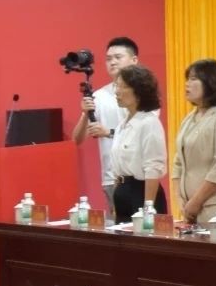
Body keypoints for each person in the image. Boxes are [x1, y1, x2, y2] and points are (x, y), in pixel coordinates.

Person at [71, 37, 140, 212]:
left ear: (134, 60)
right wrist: (85, 114)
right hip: (111, 178)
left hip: (139, 176)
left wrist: (108, 132)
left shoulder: (144, 93)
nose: (112, 62)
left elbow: (141, 132)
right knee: (116, 226)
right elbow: (77, 139)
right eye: (108, 59)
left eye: (118, 57)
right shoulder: (99, 96)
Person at [172, 59, 216, 224]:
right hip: (190, 207)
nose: (187, 84)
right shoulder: (190, 117)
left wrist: (196, 202)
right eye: (187, 79)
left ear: (211, 82)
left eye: (193, 79)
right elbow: (178, 163)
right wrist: (179, 199)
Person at [108, 64, 167, 223]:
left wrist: (148, 207)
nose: (117, 91)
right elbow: (117, 168)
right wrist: (116, 200)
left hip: (141, 192)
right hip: (122, 190)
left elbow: (153, 167)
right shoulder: (122, 125)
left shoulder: (149, 122)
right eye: (117, 86)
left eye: (123, 87)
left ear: (139, 91)